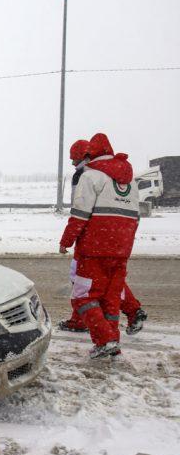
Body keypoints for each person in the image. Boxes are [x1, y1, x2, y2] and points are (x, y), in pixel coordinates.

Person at [59, 133, 139, 358]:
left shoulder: (90, 176)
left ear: (90, 153)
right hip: (121, 250)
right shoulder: (130, 181)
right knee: (110, 299)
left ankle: (105, 341)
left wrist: (66, 241)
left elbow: (79, 215)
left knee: (82, 296)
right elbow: (135, 218)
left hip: (94, 249)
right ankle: (113, 344)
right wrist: (123, 244)